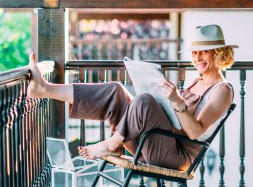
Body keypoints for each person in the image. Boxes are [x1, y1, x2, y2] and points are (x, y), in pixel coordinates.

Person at [28, 24, 238, 171]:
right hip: (154, 140)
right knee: (116, 90)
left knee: (144, 101)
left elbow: (194, 132)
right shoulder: (197, 81)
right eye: (194, 53)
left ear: (219, 52)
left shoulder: (222, 90)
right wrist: (165, 100)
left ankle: (110, 144)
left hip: (175, 156)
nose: (197, 58)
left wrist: (176, 102)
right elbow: (173, 118)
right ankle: (45, 89)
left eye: (204, 52)